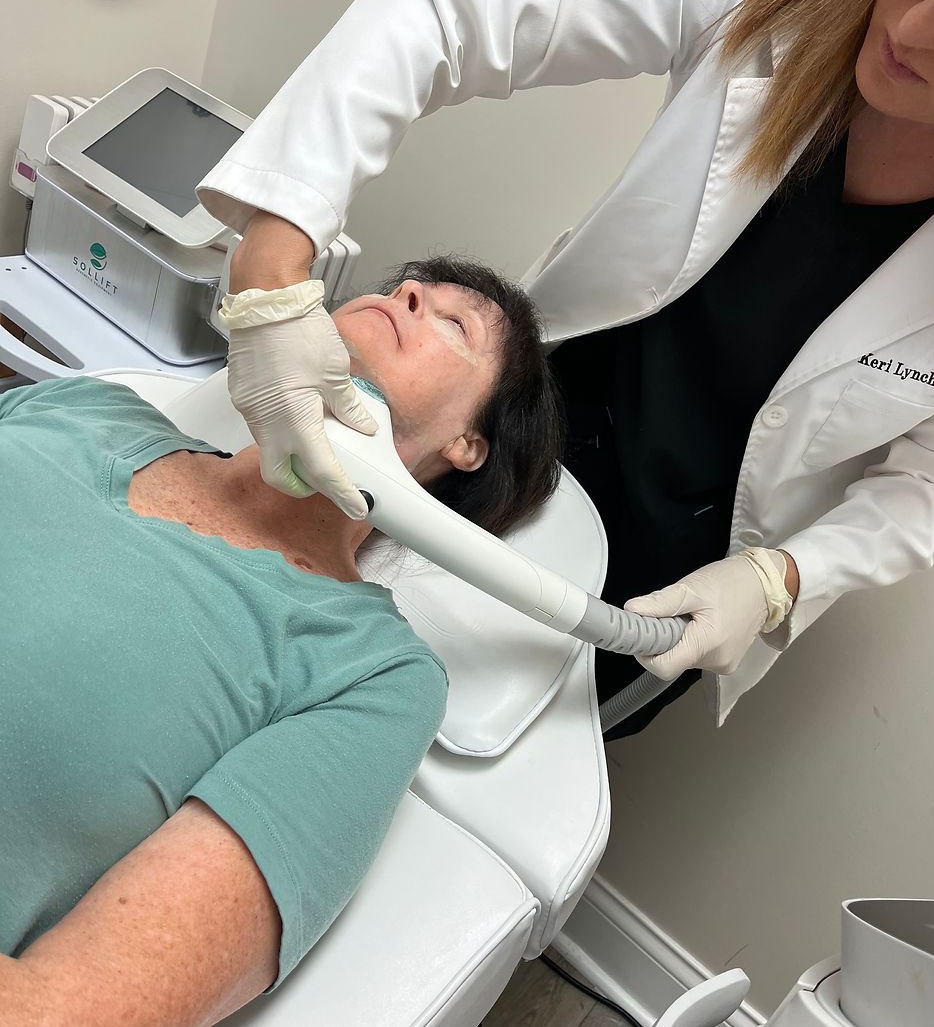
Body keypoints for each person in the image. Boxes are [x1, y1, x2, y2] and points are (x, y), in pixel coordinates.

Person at [197, 0, 934, 736]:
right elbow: (445, 16)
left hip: (667, 591)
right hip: (505, 455)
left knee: (433, 750)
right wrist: (270, 273)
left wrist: (781, 577)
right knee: (260, 667)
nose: (921, 26)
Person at [0, 256, 562, 1026]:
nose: (405, 294)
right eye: (404, 289)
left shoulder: (370, 674)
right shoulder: (88, 406)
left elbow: (69, 1013)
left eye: (453, 322)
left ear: (469, 443)